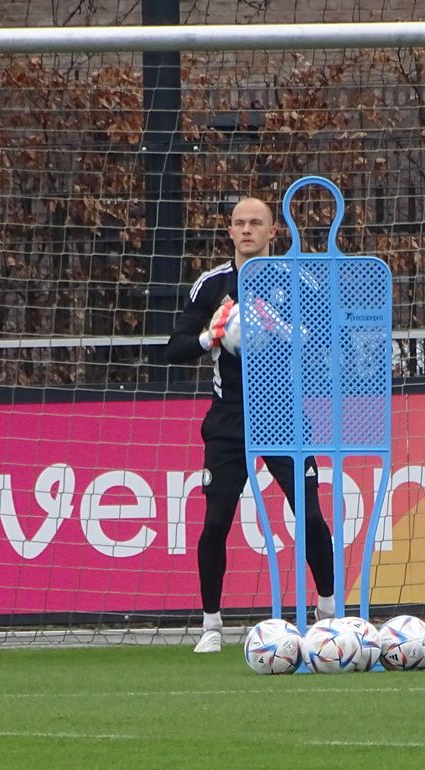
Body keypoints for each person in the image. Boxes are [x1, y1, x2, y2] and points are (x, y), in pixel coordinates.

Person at [166, 196, 336, 653]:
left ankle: (327, 609)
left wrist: (280, 330)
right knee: (217, 519)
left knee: (312, 516)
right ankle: (211, 625)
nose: (246, 230)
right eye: (239, 223)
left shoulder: (296, 279)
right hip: (228, 419)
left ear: (272, 232)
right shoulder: (212, 285)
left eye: (255, 223)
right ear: (229, 231)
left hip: (283, 413)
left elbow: (327, 342)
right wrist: (212, 336)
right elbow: (174, 347)